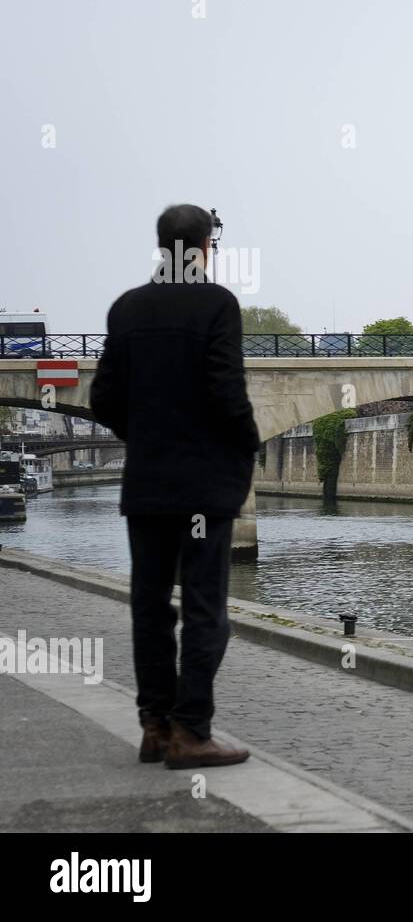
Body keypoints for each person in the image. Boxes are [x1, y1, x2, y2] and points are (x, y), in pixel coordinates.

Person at [91, 204, 259, 769]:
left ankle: (155, 727)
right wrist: (246, 447)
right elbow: (227, 392)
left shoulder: (128, 308)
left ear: (163, 244)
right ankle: (192, 731)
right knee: (206, 610)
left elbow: (104, 400)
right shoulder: (217, 305)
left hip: (148, 486)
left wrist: (145, 436)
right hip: (204, 488)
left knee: (150, 608)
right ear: (207, 246)